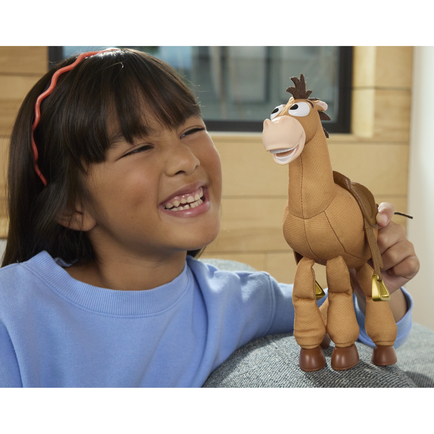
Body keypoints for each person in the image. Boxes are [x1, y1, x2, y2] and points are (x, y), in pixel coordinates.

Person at [0, 48, 419, 387]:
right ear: (72, 207)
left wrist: (377, 280)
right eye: (139, 148)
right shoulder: (14, 313)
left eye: (191, 130)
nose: (185, 159)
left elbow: (365, 329)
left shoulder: (244, 302)